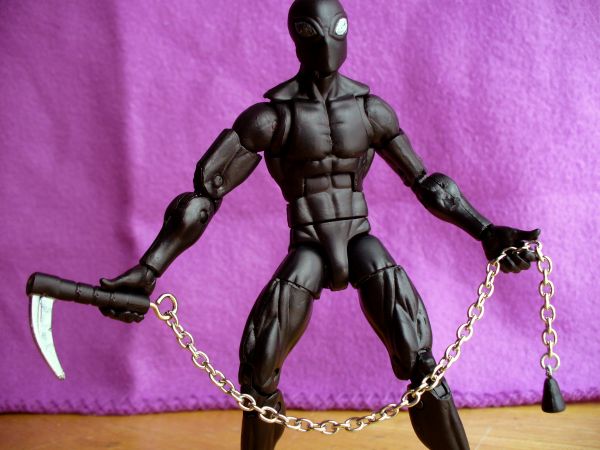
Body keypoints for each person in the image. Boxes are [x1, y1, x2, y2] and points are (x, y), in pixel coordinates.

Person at [100, 1, 539, 448]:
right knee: (259, 365)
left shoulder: (370, 112)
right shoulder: (271, 119)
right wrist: (150, 269)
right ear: (297, 37)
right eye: (313, 31)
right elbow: (203, 197)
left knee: (420, 359)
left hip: (360, 240)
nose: (327, 42)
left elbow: (426, 182)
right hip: (308, 245)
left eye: (337, 28)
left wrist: (486, 230)